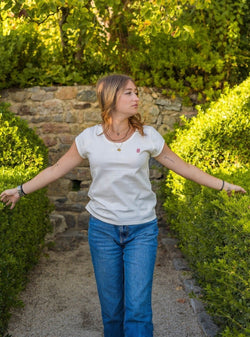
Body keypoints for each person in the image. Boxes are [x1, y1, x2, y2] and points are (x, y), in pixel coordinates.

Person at [0, 74, 246, 337]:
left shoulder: (148, 136)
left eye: (136, 92)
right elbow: (57, 169)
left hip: (142, 231)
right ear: (110, 97)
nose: (136, 97)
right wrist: (20, 189)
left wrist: (223, 185)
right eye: (129, 93)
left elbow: (183, 167)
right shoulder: (89, 138)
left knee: (138, 309)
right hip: (103, 230)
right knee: (112, 310)